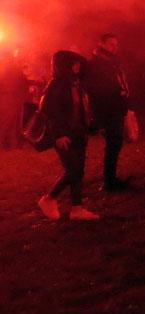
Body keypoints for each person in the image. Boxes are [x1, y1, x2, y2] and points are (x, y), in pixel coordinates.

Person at [37, 51, 99, 221]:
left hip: (78, 133)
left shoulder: (75, 82)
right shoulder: (57, 84)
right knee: (73, 170)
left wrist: (89, 126)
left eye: (78, 63)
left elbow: (80, 108)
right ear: (65, 65)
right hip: (64, 135)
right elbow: (50, 112)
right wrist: (58, 135)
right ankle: (49, 199)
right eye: (74, 63)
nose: (77, 66)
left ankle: (77, 210)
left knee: (78, 171)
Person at [84, 33, 133, 191]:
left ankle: (110, 178)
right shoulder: (96, 64)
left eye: (116, 44)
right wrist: (115, 94)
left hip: (116, 108)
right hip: (107, 110)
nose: (115, 47)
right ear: (102, 44)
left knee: (115, 144)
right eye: (111, 44)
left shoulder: (112, 62)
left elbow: (120, 82)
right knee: (113, 144)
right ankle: (109, 181)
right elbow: (95, 89)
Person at [0, 51, 30, 149]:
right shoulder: (13, 69)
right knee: (12, 121)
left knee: (9, 121)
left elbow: (23, 83)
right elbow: (24, 83)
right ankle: (11, 143)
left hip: (8, 98)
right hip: (12, 98)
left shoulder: (5, 69)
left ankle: (9, 143)